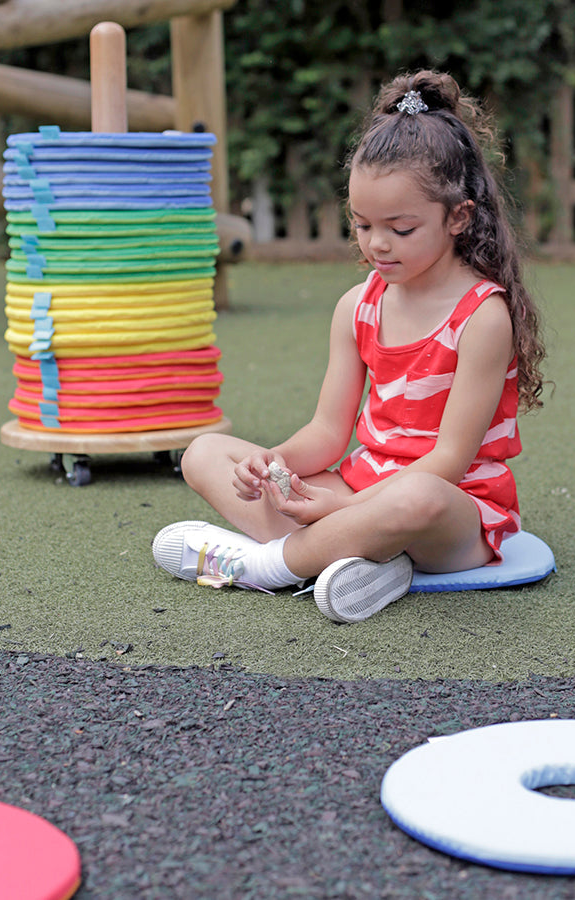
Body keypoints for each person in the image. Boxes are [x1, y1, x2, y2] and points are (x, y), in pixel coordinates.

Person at [153, 70, 545, 623]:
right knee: (205, 454)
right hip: (358, 490)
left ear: (458, 216)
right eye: (361, 225)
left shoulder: (482, 317)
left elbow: (449, 463)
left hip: (454, 513)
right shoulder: (356, 306)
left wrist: (345, 506)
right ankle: (368, 562)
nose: (377, 244)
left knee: (414, 500)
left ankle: (268, 566)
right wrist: (273, 464)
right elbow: (328, 433)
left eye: (401, 229)